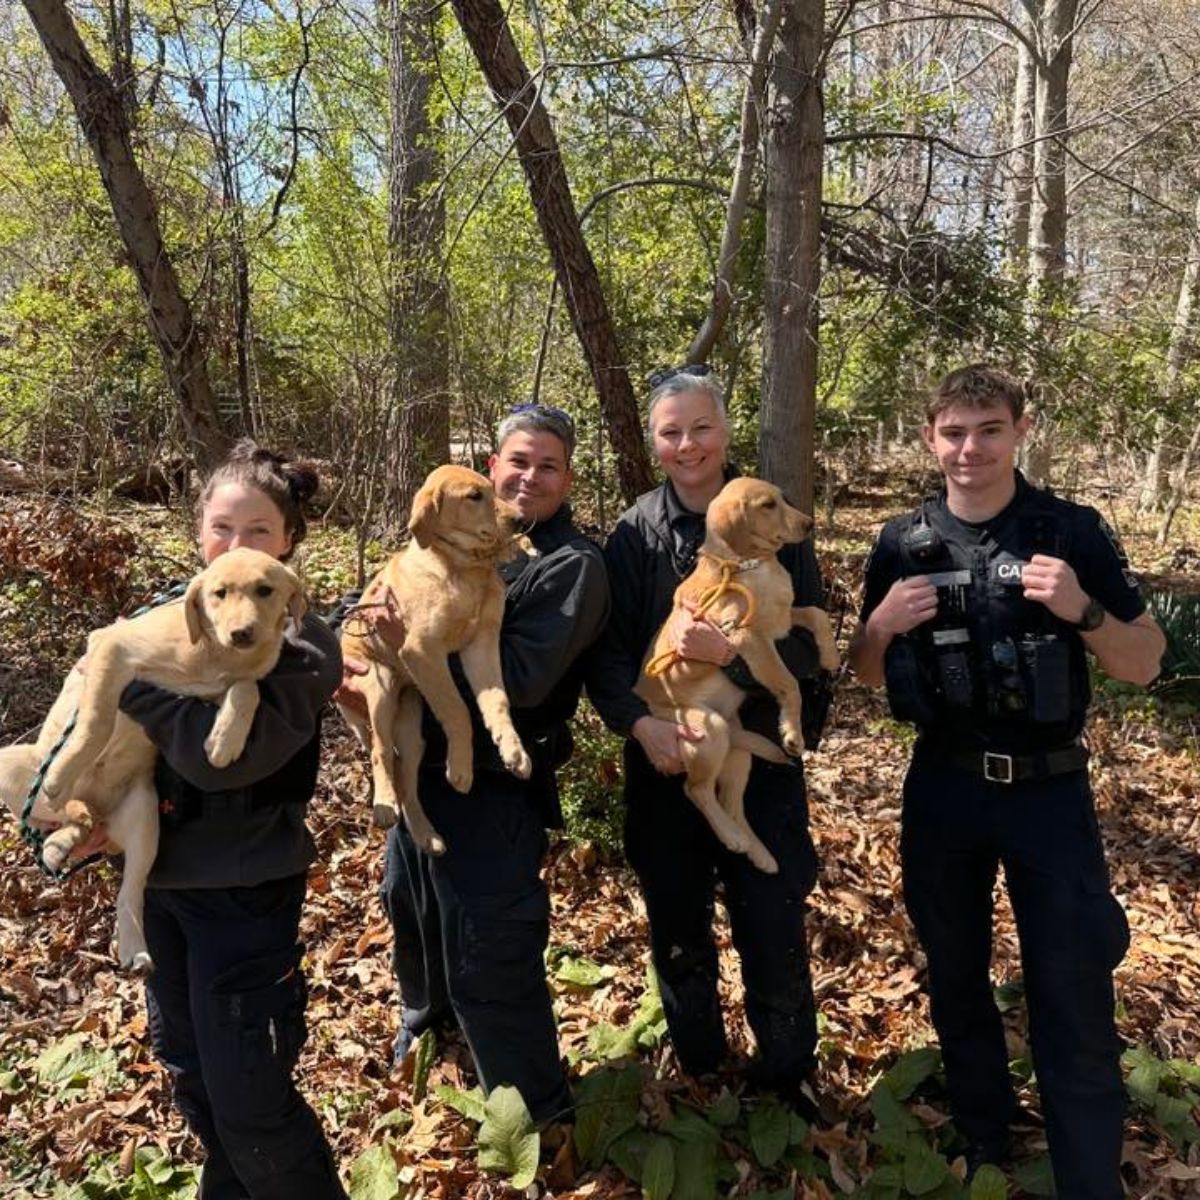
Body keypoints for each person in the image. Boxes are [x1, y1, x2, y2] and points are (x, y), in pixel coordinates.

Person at [848, 365, 1165, 1198]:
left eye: (988, 429)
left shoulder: (1072, 531)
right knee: (954, 974)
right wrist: (877, 627)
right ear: (929, 437)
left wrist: (1083, 612)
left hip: (1048, 795)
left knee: (1070, 984)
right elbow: (866, 676)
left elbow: (1145, 664)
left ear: (1019, 430)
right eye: (953, 431)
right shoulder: (900, 542)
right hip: (943, 790)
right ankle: (985, 1139)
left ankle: (1088, 1175)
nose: (970, 448)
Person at [337, 404, 609, 1124]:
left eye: (548, 466)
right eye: (517, 461)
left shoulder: (570, 566)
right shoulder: (449, 537)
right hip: (416, 769)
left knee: (488, 947)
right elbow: (376, 605)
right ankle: (429, 1031)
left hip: (493, 786)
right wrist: (358, 640)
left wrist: (409, 653)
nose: (529, 478)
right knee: (411, 908)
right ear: (489, 470)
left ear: (567, 479)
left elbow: (521, 677)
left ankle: (535, 1116)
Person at [588, 365, 826, 1110]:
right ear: (655, 443)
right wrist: (639, 723)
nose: (687, 444)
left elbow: (814, 653)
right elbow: (608, 651)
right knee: (679, 927)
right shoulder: (635, 535)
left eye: (701, 427)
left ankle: (785, 1083)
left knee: (772, 920)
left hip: (763, 761)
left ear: (726, 432)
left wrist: (740, 665)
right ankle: (699, 1073)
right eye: (671, 431)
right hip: (666, 757)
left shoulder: (773, 522)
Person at [116, 442, 348, 1200]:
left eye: (257, 531)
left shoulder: (303, 642)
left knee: (251, 1098)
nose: (236, 545)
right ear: (197, 532)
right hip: (163, 887)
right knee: (193, 1079)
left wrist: (128, 687)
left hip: (246, 892)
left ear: (288, 542)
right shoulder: (179, 619)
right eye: (221, 529)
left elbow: (229, 761)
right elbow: (118, 759)